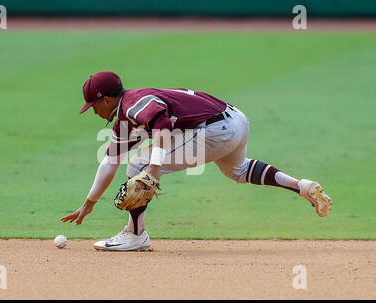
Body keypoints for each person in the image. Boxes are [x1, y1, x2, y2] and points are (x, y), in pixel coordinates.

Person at [60, 71, 332, 251]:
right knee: (238, 171)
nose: (93, 111)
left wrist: (154, 167)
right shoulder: (126, 117)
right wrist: (89, 203)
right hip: (234, 120)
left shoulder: (133, 104)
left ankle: (135, 235)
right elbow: (110, 161)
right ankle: (301, 186)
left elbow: (162, 123)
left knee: (140, 166)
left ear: (106, 100)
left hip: (214, 130)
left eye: (93, 106)